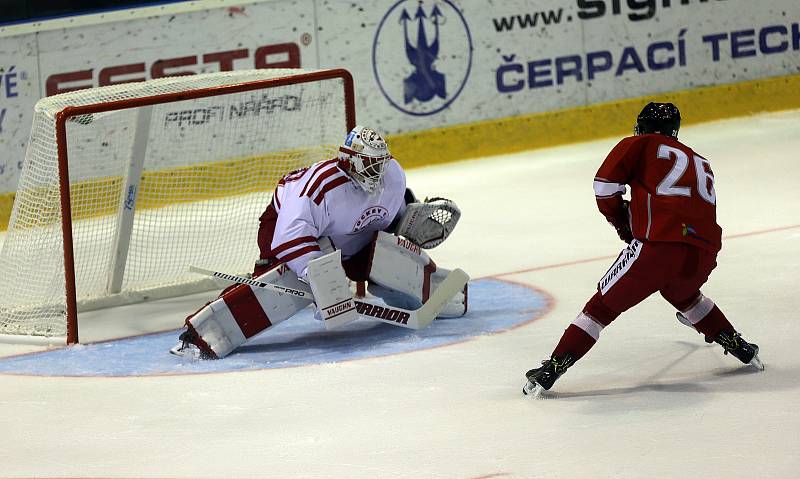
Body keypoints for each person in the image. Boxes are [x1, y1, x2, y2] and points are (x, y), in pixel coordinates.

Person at [523, 102, 763, 398]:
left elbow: (604, 186)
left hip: (658, 247)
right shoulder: (700, 160)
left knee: (600, 308)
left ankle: (553, 368)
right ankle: (740, 346)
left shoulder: (638, 144)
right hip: (705, 251)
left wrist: (622, 223)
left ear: (642, 126)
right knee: (685, 296)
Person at [171, 125, 467, 359]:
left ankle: (446, 297)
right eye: (369, 165)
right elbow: (290, 238)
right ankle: (202, 335)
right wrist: (323, 279)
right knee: (282, 288)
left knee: (391, 258)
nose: (377, 172)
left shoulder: (392, 174)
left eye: (380, 163)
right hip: (289, 232)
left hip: (354, 237)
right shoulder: (317, 188)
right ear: (349, 161)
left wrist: (408, 219)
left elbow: (394, 210)